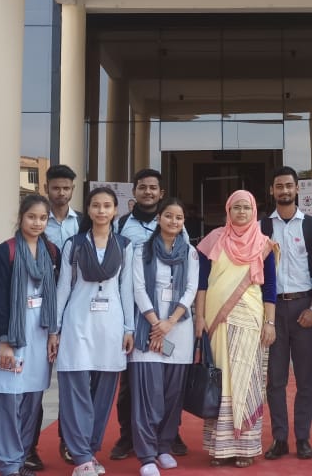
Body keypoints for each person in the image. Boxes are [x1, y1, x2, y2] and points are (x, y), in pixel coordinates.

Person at [52, 186, 135, 476]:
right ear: (88, 210)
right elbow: (63, 287)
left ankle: (90, 451)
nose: (101, 211)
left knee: (104, 393)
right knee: (76, 392)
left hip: (110, 326)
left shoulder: (125, 246)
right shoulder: (73, 244)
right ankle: (81, 456)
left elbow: (127, 289)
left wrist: (129, 328)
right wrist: (55, 329)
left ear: (116, 210)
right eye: (96, 205)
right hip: (77, 323)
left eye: (107, 206)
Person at [194, 190, 277, 468]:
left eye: (246, 208)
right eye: (236, 208)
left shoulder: (264, 245)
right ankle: (220, 448)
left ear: (255, 211)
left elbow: (270, 289)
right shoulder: (213, 241)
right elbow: (202, 283)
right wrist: (199, 317)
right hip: (217, 319)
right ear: (228, 211)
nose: (241, 212)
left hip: (250, 320)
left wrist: (270, 322)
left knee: (246, 379)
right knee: (220, 380)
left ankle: (245, 447)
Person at [0, 195, 59, 476]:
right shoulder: (6, 251)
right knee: (6, 399)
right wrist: (2, 341)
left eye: (43, 218)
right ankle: (8, 463)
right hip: (11, 335)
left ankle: (22, 456)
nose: (37, 223)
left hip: (39, 334)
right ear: (21, 217)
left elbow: (53, 296)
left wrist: (53, 334)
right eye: (32, 217)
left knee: (31, 399)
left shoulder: (51, 251)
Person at [112, 168, 188, 459]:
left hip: (168, 318)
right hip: (135, 312)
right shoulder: (121, 224)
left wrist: (167, 320)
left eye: (153, 187)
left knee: (169, 380)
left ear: (161, 192)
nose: (148, 192)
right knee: (131, 382)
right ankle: (127, 436)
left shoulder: (177, 224)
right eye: (142, 187)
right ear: (134, 191)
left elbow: (185, 266)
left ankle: (170, 433)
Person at [130, 198, 200, 476]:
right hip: (148, 328)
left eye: (179, 218)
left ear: (184, 222)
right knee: (148, 394)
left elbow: (192, 288)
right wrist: (155, 323)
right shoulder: (141, 251)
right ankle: (146, 455)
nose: (173, 221)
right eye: (168, 216)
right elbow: (138, 288)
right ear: (159, 218)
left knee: (172, 395)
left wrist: (169, 323)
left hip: (178, 329)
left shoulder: (191, 253)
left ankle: (164, 447)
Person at [261, 166, 312, 461]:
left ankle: (302, 438)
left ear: (298, 189)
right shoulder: (262, 227)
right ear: (272, 191)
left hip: (303, 310)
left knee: (305, 379)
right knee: (274, 380)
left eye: (289, 185)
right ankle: (279, 438)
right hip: (273, 310)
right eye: (279, 186)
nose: (284, 190)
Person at [38, 164, 82, 469]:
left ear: (73, 189)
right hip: (39, 306)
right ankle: (28, 445)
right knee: (35, 382)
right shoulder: (38, 220)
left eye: (66, 188)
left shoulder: (83, 222)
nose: (61, 192)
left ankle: (70, 441)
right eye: (56, 187)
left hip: (76, 309)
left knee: (72, 380)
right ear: (46, 188)